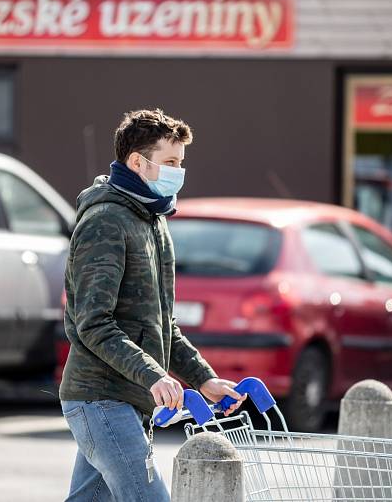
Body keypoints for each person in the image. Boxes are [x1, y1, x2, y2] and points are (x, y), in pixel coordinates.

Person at [59, 108, 246, 501]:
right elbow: (92, 323)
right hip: (101, 397)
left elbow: (164, 325)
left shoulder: (152, 221)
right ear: (137, 162)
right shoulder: (106, 221)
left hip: (124, 399)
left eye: (181, 162)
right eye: (170, 162)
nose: (179, 171)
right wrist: (153, 376)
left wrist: (204, 379)